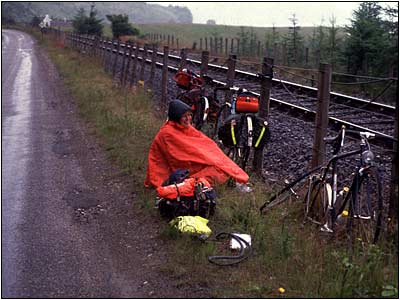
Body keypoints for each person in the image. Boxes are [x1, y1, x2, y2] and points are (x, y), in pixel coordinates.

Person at [144, 99, 250, 189]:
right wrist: (203, 158)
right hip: (175, 172)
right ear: (176, 117)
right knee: (221, 171)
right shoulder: (167, 133)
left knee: (222, 167)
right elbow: (178, 159)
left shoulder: (185, 127)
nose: (188, 119)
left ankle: (227, 177)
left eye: (189, 115)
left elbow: (202, 143)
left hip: (195, 164)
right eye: (184, 116)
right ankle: (195, 183)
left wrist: (208, 156)